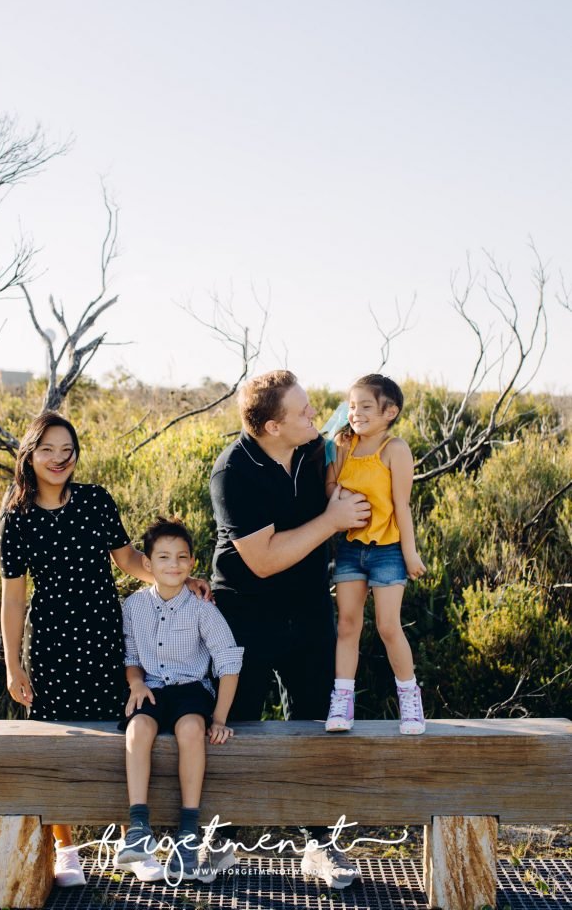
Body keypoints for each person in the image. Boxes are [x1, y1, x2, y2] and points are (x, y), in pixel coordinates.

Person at [0, 412, 210, 887]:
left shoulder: (95, 500)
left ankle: (131, 842)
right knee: (59, 741)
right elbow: (12, 599)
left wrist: (177, 577)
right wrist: (13, 666)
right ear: (30, 455)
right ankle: (66, 850)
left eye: (67, 450)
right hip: (51, 643)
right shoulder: (16, 519)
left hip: (105, 636)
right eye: (48, 450)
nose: (59, 459)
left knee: (122, 735)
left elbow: (129, 558)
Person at [209, 369, 371, 889]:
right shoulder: (232, 472)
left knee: (318, 721)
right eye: (302, 411)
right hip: (244, 613)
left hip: (308, 608)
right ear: (273, 427)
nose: (314, 414)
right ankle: (219, 840)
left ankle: (319, 843)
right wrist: (332, 520)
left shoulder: (314, 447)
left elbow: (360, 426)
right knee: (233, 723)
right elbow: (263, 560)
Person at [116, 516, 243, 883]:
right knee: (138, 728)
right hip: (152, 687)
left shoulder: (202, 608)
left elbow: (228, 662)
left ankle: (188, 834)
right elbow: (131, 656)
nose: (173, 565)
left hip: (191, 688)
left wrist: (219, 718)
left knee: (190, 730)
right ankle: (139, 826)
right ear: (147, 563)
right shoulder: (133, 606)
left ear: (192, 563)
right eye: (164, 557)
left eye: (181, 557)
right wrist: (135, 684)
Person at [324, 374, 426, 735]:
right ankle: (342, 701)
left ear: (390, 412)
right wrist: (340, 499)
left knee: (387, 626)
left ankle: (410, 700)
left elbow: (402, 506)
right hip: (351, 549)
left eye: (366, 406)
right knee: (348, 625)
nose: (356, 413)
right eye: (352, 406)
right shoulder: (343, 445)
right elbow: (330, 485)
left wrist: (410, 554)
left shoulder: (394, 449)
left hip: (388, 550)